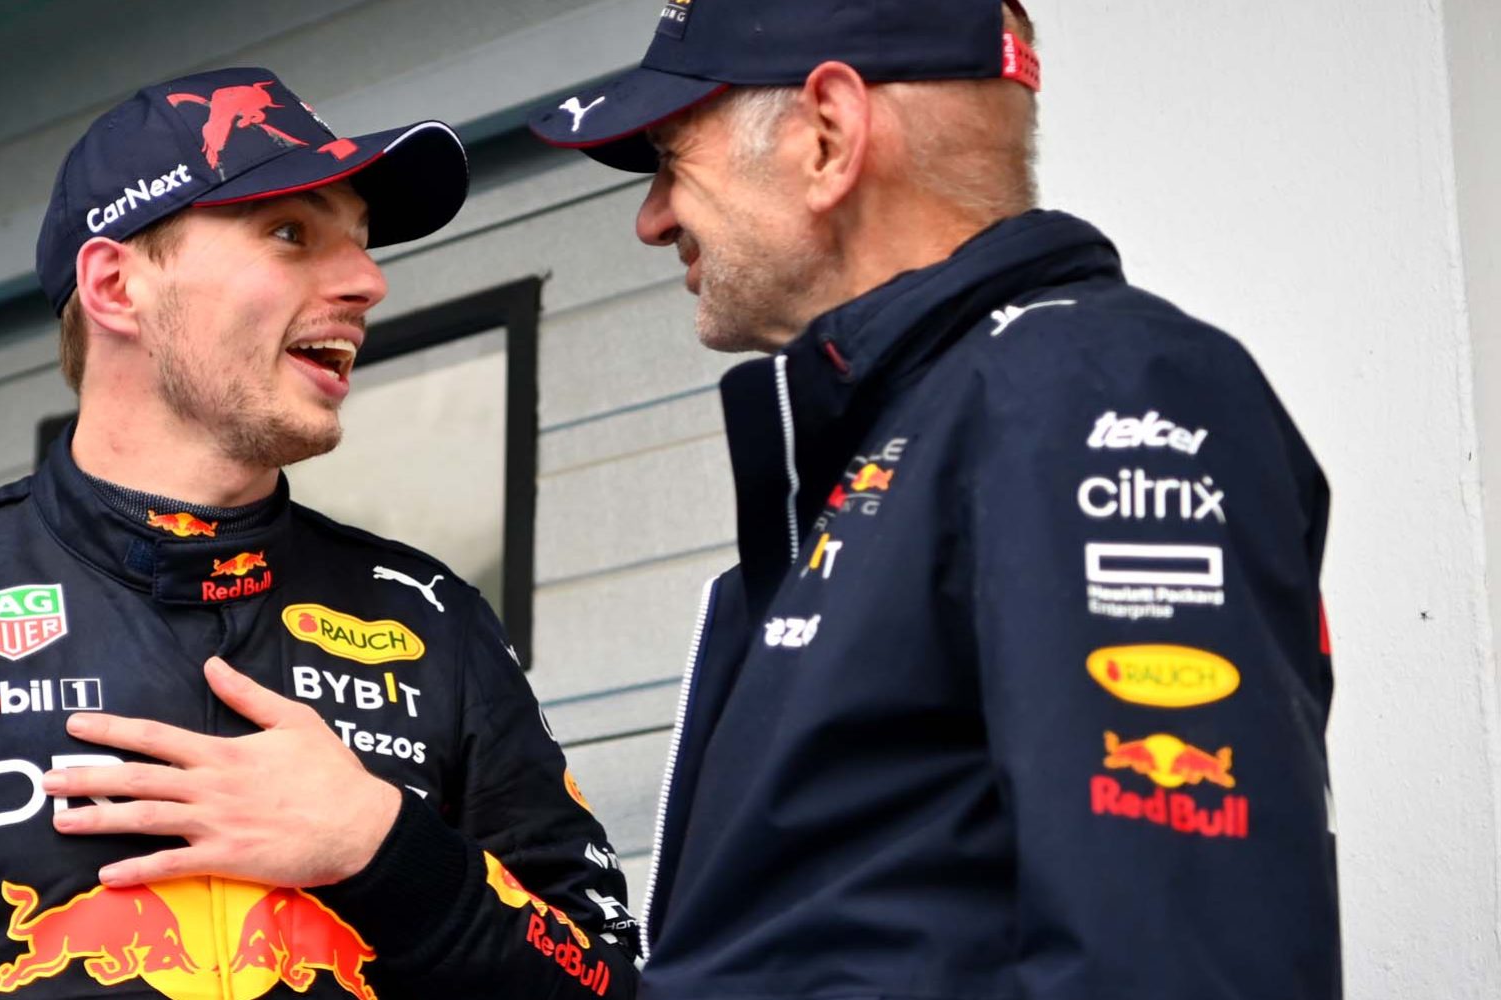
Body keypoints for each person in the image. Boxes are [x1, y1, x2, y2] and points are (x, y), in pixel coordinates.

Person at [0, 67, 637, 1000]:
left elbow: (608, 980)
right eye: (292, 233)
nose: (368, 282)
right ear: (116, 286)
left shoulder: (433, 621)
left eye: (363, 242)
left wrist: (384, 848)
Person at [528, 1, 1339, 998]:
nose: (651, 219)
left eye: (669, 155)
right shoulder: (917, 434)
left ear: (829, 136)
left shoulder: (1090, 389)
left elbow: (1175, 956)